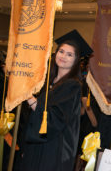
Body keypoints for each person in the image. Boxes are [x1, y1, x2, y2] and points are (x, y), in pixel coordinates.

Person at [21, 30, 91, 171]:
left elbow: (55, 119)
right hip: (40, 144)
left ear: (76, 60)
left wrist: (29, 98)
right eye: (61, 51)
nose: (63, 56)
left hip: (55, 148)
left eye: (69, 54)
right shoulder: (50, 81)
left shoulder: (73, 85)